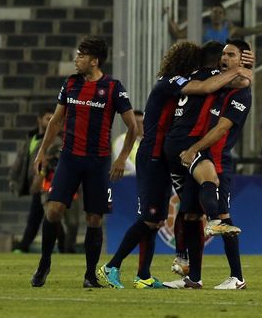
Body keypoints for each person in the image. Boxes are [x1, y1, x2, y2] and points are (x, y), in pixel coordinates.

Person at [96, 41, 252, 289]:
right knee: (150, 217)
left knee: (169, 215)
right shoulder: (172, 81)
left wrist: (245, 70)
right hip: (154, 155)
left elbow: (231, 84)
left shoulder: (187, 81)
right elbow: (209, 84)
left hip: (168, 155)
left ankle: (147, 275)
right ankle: (111, 266)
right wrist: (240, 69)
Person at [30, 36, 138, 288]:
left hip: (98, 162)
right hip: (70, 158)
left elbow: (132, 126)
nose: (76, 60)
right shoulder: (70, 84)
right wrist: (42, 152)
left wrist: (121, 158)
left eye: (80, 55)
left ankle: (90, 275)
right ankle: (44, 262)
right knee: (53, 210)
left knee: (94, 219)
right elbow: (56, 121)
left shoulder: (113, 87)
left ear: (94, 60)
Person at [162, 40, 253, 289]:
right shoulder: (221, 86)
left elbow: (222, 128)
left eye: (231, 55)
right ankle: (194, 278)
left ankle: (238, 277)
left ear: (241, 60)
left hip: (217, 159)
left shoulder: (241, 94)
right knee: (191, 214)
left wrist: (193, 149)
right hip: (202, 156)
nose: (224, 58)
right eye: (223, 54)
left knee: (222, 216)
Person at [9, 109, 53, 253]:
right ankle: (64, 246)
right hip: (36, 184)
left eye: (53, 118)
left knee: (45, 216)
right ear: (39, 120)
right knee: (42, 216)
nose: (50, 121)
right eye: (48, 118)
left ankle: (24, 245)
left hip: (47, 185)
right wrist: (13, 178)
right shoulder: (31, 139)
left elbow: (54, 162)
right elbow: (21, 159)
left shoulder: (55, 140)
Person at [166, 4, 262, 44]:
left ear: (224, 15)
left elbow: (254, 30)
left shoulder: (230, 30)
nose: (217, 14)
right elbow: (177, 34)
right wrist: (167, 16)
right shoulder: (202, 29)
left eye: (220, 12)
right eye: (214, 12)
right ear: (210, 15)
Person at [112, 110, 144, 176]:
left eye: (142, 123)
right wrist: (140, 172)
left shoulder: (146, 141)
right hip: (126, 179)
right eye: (136, 123)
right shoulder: (121, 140)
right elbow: (122, 161)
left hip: (142, 179)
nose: (139, 126)